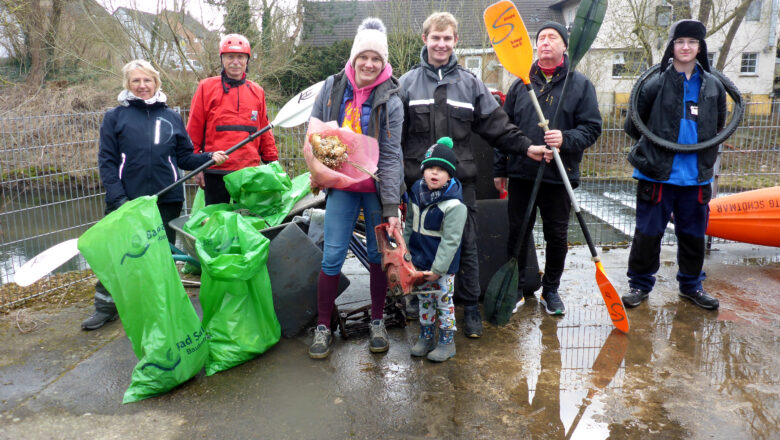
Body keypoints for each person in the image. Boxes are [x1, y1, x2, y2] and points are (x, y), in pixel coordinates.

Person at [399, 12, 535, 338]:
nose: (441, 44)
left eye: (447, 38)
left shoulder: (470, 84)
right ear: (425, 39)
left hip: (460, 184)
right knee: (418, 243)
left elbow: (497, 126)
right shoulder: (406, 84)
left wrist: (527, 146)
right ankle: (419, 299)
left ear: (455, 41)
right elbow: (392, 136)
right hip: (418, 183)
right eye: (436, 37)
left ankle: (470, 305)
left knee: (466, 243)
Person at [82, 60, 227, 330]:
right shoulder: (115, 117)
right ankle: (106, 307)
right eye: (136, 81)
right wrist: (119, 199)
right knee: (117, 256)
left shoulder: (171, 116)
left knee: (161, 258)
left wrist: (208, 157)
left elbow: (184, 156)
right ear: (127, 84)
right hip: (126, 201)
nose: (142, 86)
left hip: (166, 199)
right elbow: (107, 162)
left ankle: (158, 307)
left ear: (156, 82)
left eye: (147, 80)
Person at [306, 18, 404, 359]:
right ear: (354, 57)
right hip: (342, 187)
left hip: (375, 188)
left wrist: (390, 206)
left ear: (383, 61)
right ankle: (323, 326)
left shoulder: (391, 98)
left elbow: (390, 155)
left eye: (376, 58)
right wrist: (318, 172)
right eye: (364, 56)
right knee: (333, 254)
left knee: (378, 255)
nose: (369, 63)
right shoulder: (332, 88)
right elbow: (314, 136)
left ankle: (377, 321)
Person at [494, 22, 602, 316]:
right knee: (518, 233)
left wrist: (565, 139)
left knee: (556, 236)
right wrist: (499, 169)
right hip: (522, 173)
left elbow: (592, 128)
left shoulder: (579, 85)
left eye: (552, 37)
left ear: (565, 46)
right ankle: (515, 288)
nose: (545, 42)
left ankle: (550, 290)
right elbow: (504, 129)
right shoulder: (521, 84)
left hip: (559, 176)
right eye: (541, 38)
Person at [622, 19, 727, 311]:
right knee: (648, 233)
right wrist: (660, 144)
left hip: (696, 176)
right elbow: (633, 125)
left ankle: (692, 286)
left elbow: (719, 125)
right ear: (671, 46)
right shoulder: (654, 83)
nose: (686, 47)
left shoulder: (713, 86)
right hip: (657, 173)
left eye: (692, 42)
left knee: (693, 235)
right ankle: (639, 285)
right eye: (680, 41)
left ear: (700, 47)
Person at [187, 33, 278, 205]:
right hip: (215, 170)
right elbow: (194, 129)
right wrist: (197, 165)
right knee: (217, 219)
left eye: (240, 57)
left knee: (247, 218)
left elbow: (264, 130)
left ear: (247, 61)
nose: (235, 62)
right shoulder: (206, 87)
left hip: (249, 173)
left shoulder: (257, 91)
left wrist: (273, 162)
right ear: (222, 59)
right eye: (230, 57)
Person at [403, 137, 467, 362]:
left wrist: (438, 269)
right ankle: (426, 336)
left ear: (449, 176)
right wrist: (405, 256)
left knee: (443, 301)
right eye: (430, 168)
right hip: (419, 262)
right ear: (423, 171)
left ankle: (447, 341)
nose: (434, 173)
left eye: (441, 169)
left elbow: (451, 241)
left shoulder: (454, 205)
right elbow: (409, 225)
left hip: (442, 267)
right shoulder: (416, 192)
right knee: (425, 300)